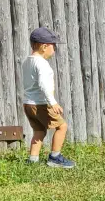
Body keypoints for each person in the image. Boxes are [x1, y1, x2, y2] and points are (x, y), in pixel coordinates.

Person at [22, 27, 75, 168]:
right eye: (54, 46)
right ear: (44, 46)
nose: (55, 49)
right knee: (62, 126)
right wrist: (53, 103)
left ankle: (33, 160)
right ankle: (55, 157)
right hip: (41, 104)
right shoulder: (42, 64)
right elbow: (43, 85)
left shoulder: (27, 62)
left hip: (28, 103)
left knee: (39, 131)